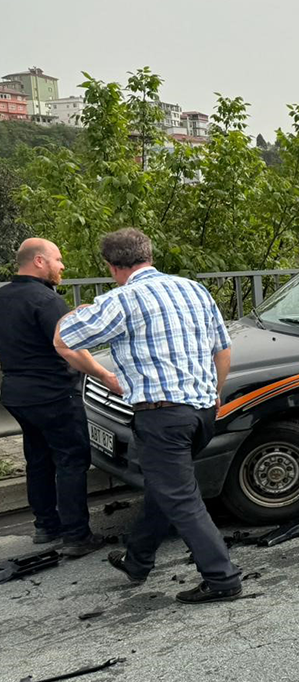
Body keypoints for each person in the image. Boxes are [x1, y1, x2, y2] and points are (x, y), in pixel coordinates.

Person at [55, 228, 243, 604]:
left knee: (181, 497)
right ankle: (137, 559)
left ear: (111, 267)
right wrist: (215, 394)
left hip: (162, 417)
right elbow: (222, 350)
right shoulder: (194, 289)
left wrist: (76, 314)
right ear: (148, 254)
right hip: (202, 411)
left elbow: (64, 340)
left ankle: (222, 578)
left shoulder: (121, 300)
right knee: (167, 488)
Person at [0, 239, 116, 555]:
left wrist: (68, 315)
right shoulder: (45, 301)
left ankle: (45, 526)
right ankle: (77, 535)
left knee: (38, 459)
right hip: (53, 394)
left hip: (16, 394)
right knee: (72, 459)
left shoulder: (4, 295)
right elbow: (70, 348)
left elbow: (29, 333)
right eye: (58, 259)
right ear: (40, 261)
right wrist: (104, 375)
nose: (62, 266)